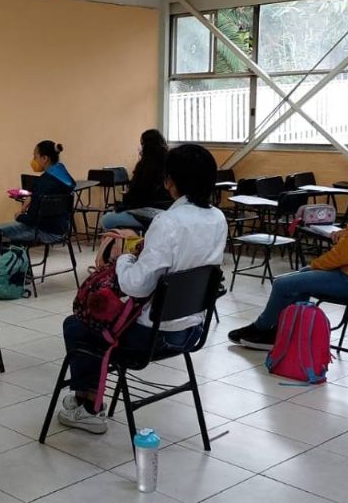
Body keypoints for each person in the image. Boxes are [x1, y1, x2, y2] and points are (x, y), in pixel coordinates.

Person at [57, 144, 228, 434]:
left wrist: (123, 258)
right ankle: (88, 401)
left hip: (151, 337)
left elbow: (137, 286)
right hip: (193, 331)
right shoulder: (217, 219)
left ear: (171, 181)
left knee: (76, 325)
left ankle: (87, 407)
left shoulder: (168, 222)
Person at [228, 149, 348, 350]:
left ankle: (261, 329)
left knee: (284, 283)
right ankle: (285, 332)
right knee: (300, 279)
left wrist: (316, 266)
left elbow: (342, 255)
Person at [0, 140, 76, 242]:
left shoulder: (43, 183)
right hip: (61, 230)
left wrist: (20, 216)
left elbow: (32, 220)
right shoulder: (66, 180)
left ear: (44, 158)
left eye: (35, 157)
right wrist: (32, 196)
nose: (34, 160)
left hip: (42, 231)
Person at [101, 129, 173, 230]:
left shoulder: (143, 166)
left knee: (106, 220)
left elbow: (136, 195)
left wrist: (121, 207)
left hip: (147, 213)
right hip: (169, 212)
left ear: (144, 146)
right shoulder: (172, 163)